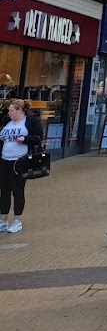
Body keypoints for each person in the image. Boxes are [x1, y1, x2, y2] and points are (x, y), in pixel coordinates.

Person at [0, 98, 43, 234]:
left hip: (20, 161)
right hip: (4, 160)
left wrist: (25, 139)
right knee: (4, 190)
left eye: (12, 110)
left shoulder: (30, 121)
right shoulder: (7, 122)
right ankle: (3, 220)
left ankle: (17, 220)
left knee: (18, 190)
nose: (9, 113)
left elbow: (38, 137)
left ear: (19, 110)